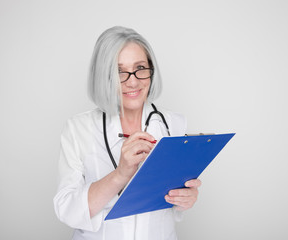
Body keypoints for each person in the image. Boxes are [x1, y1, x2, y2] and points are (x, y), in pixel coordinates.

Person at [53, 26, 202, 240]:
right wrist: (120, 174)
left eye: (140, 67)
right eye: (119, 71)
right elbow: (67, 209)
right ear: (103, 76)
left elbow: (173, 203)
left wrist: (186, 198)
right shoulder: (78, 129)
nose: (132, 81)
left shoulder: (174, 124)